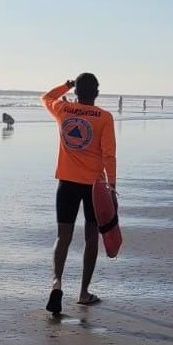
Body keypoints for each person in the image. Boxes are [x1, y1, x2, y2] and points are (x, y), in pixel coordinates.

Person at [41, 73, 117, 315]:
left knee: (63, 236)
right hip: (93, 187)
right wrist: (112, 187)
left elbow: (46, 97)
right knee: (91, 238)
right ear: (96, 93)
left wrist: (66, 84)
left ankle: (56, 283)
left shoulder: (64, 109)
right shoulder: (104, 117)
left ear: (76, 93)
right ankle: (83, 293)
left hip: (66, 183)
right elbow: (109, 155)